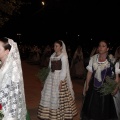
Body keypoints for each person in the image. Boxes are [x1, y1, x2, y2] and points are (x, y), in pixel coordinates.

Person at [37, 40, 77, 120]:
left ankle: (61, 114)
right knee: (49, 95)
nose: (55, 48)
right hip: (51, 77)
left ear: (61, 47)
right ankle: (50, 114)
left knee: (60, 97)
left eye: (57, 46)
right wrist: (45, 77)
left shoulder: (64, 56)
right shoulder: (52, 55)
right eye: (54, 46)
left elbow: (64, 70)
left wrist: (61, 81)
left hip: (59, 78)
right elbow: (49, 67)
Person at [81, 40, 119, 120]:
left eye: (103, 46)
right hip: (93, 88)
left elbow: (116, 77)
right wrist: (87, 85)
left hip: (106, 89)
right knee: (91, 109)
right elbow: (89, 73)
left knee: (104, 110)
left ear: (107, 48)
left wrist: (116, 88)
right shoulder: (93, 58)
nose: (100, 48)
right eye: (99, 45)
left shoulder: (112, 60)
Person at [0, 37, 29, 120]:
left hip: (6, 107)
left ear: (7, 52)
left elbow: (12, 91)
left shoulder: (13, 69)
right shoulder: (2, 63)